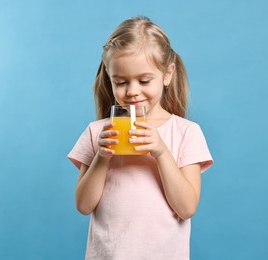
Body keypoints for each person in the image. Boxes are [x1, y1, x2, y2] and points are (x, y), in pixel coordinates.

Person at [68, 16, 213, 259]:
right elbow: (83, 206)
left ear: (167, 75)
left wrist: (161, 151)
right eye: (121, 82)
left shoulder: (187, 132)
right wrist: (102, 158)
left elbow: (186, 208)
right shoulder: (97, 132)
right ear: (109, 78)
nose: (132, 91)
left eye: (144, 81)